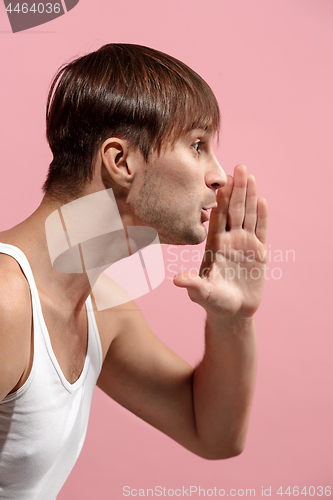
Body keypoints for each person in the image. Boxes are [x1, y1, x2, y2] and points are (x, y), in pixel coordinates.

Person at [0, 43, 268, 499]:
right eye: (198, 145)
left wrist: (232, 319)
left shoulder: (101, 311)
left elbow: (214, 435)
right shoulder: (6, 303)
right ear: (121, 161)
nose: (219, 176)